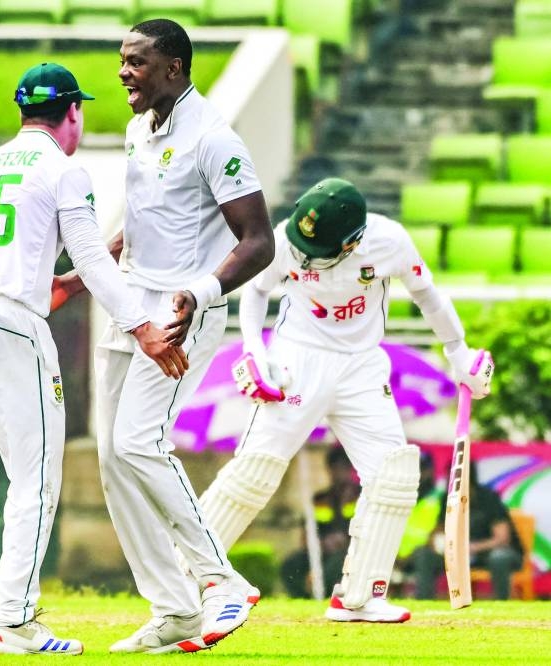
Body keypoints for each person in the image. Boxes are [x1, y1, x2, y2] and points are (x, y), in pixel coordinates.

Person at [0, 62, 189, 655]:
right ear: (73, 113)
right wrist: (144, 328)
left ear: (23, 111)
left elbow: (16, 248)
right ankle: (15, 621)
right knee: (34, 479)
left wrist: (55, 282)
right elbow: (92, 255)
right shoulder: (64, 169)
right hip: (10, 327)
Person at [53, 18, 276, 653]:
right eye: (122, 60)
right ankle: (174, 610)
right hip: (129, 301)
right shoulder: (136, 128)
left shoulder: (214, 138)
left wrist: (199, 293)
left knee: (138, 442)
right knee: (110, 456)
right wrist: (77, 278)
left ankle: (220, 580)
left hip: (184, 312)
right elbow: (142, 224)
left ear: (174, 67)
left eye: (137, 63)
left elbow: (258, 241)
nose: (123, 72)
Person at [196, 177, 495, 622]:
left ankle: (359, 596)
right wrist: (254, 352)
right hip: (299, 360)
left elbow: (426, 295)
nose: (303, 254)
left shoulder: (389, 241)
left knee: (394, 474)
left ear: (353, 241)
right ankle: (189, 576)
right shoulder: (286, 239)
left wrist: (458, 352)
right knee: (255, 469)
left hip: (361, 365)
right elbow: (257, 292)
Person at [415, 462, 523, 600]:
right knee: (424, 554)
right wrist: (439, 543)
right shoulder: (447, 499)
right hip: (458, 553)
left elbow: (502, 538)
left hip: (490, 552)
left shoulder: (488, 498)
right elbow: (439, 530)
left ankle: (502, 602)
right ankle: (424, 602)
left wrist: (473, 547)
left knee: (499, 557)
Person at [280, 446, 359, 598]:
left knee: (337, 562)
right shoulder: (320, 499)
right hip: (322, 551)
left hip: (350, 552)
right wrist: (323, 544)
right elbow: (307, 534)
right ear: (329, 469)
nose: (339, 473)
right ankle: (303, 597)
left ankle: (327, 595)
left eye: (343, 468)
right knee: (291, 564)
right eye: (335, 468)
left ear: (351, 469)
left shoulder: (361, 497)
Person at [394, 451, 446, 599]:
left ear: (430, 471)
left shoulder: (440, 497)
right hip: (397, 555)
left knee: (423, 556)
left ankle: (424, 600)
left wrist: (408, 557)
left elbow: (441, 531)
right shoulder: (400, 497)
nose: (417, 474)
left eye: (421, 469)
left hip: (431, 554)